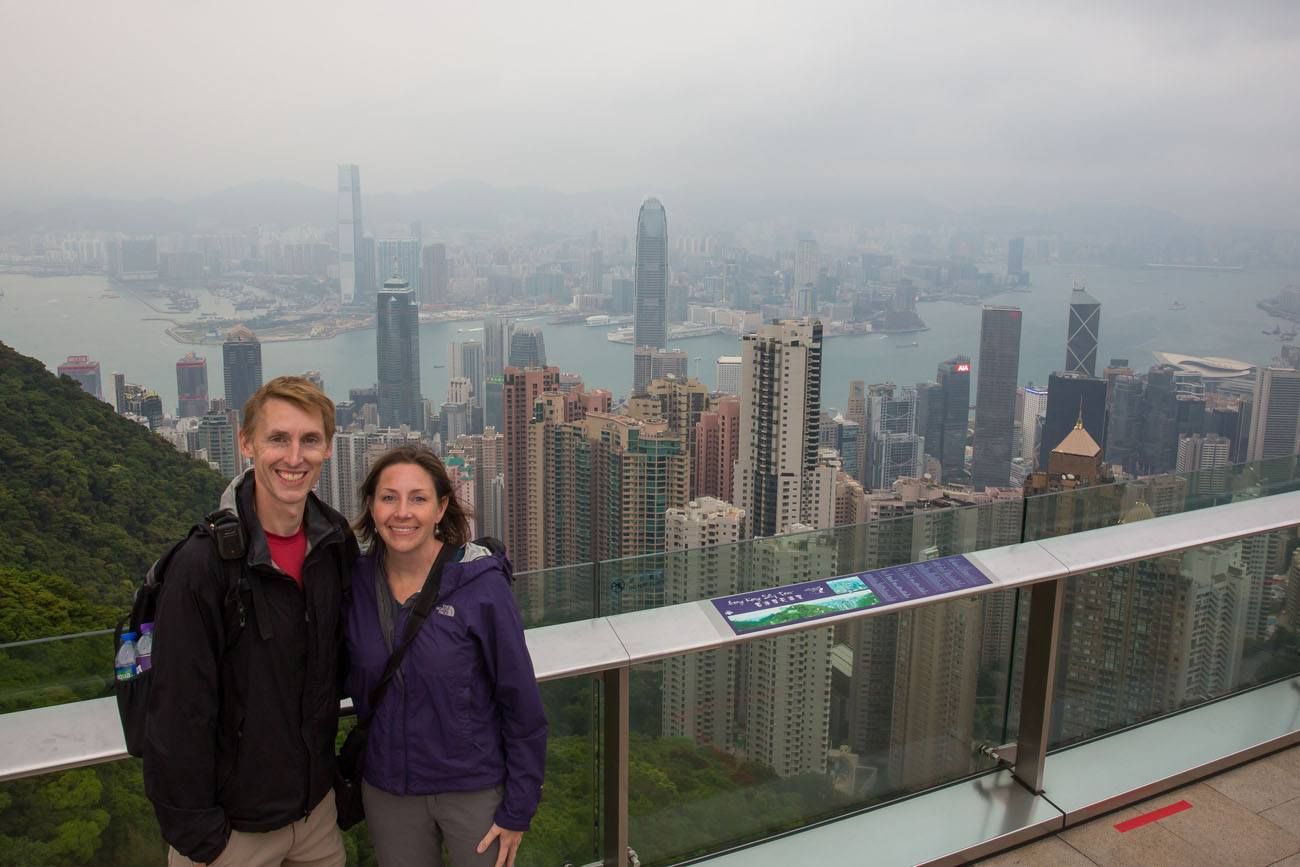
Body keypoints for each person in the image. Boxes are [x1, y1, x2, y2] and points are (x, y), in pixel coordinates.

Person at [143, 376, 359, 867]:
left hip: (316, 818)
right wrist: (203, 840)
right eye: (277, 439)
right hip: (231, 834)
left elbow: (348, 657)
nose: (294, 457)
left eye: (309, 440)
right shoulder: (203, 565)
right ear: (247, 444)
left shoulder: (334, 543)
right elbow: (178, 709)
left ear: (327, 447)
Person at [346, 445, 547, 867]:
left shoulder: (480, 586)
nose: (402, 512)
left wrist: (518, 809)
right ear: (371, 506)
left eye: (418, 498)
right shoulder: (353, 585)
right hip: (389, 790)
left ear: (440, 509)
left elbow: (521, 704)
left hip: (472, 789)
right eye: (389, 497)